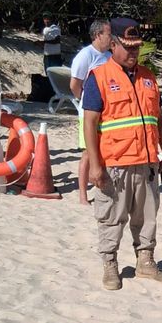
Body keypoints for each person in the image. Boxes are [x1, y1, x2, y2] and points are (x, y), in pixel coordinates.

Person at [82, 20, 162, 290]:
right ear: (113, 46)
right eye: (128, 47)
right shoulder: (98, 77)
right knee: (111, 217)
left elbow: (159, 119)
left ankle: (146, 263)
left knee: (147, 217)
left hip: (146, 163)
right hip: (115, 165)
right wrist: (95, 166)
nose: (134, 53)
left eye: (137, 47)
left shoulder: (148, 77)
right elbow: (89, 123)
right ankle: (110, 265)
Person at [70, 18, 112, 205]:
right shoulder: (85, 55)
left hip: (106, 111)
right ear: (98, 35)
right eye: (109, 34)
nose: (112, 38)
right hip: (89, 111)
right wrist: (86, 102)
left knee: (102, 148)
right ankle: (82, 195)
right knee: (88, 151)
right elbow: (74, 84)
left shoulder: (109, 55)